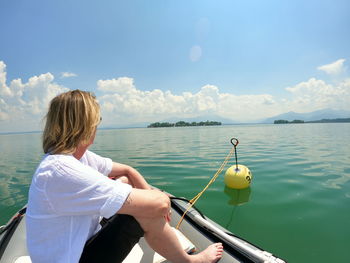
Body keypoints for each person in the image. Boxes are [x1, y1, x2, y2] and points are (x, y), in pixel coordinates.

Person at [26, 89, 223, 263]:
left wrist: (145, 193)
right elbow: (160, 205)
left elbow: (127, 171)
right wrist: (158, 199)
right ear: (85, 125)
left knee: (129, 186)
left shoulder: (76, 158)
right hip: (72, 258)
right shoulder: (60, 170)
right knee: (144, 210)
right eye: (97, 121)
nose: (97, 127)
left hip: (79, 246)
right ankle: (191, 262)